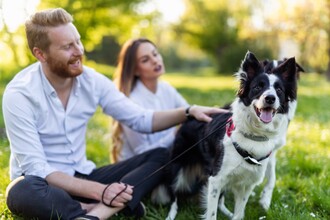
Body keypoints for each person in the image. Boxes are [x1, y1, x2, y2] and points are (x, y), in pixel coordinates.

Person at [2, 8, 226, 220]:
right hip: (45, 184)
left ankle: (94, 214)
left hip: (84, 176)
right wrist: (102, 191)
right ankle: (103, 207)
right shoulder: (20, 94)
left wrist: (188, 112)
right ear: (40, 54)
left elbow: (141, 119)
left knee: (160, 154)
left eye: (78, 41)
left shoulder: (91, 80)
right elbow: (37, 168)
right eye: (67, 47)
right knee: (20, 191)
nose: (79, 51)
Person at [111, 38, 189, 162]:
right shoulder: (131, 102)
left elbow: (189, 112)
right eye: (145, 60)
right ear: (135, 70)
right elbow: (142, 153)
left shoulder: (166, 88)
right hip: (139, 169)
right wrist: (175, 135)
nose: (155, 61)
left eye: (155, 54)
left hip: (167, 160)